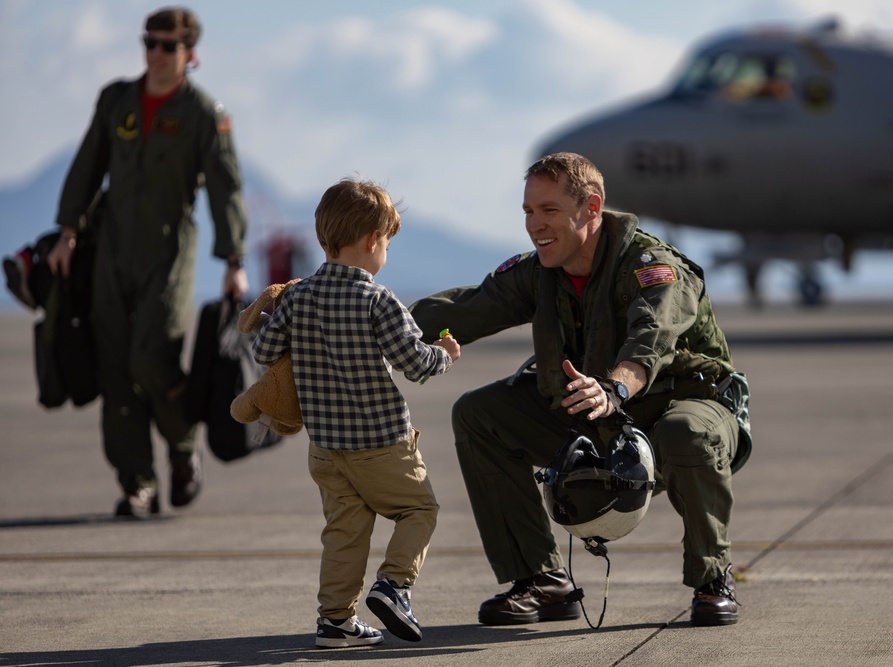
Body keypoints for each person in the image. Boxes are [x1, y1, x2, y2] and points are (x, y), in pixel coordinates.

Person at [409, 152, 751, 628]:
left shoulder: (653, 268)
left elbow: (648, 341)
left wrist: (614, 388)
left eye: (549, 211)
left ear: (591, 209)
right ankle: (541, 580)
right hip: (595, 411)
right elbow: (466, 309)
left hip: (678, 405)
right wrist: (362, 322)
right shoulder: (540, 272)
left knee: (687, 431)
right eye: (528, 211)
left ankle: (713, 579)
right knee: (478, 413)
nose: (534, 224)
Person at [46, 7, 249, 518]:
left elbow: (225, 186)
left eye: (167, 46)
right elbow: (89, 162)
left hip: (169, 249)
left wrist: (233, 258)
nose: (155, 53)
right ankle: (138, 483)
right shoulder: (117, 100)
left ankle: (182, 450)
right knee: (114, 367)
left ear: (190, 55)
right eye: (149, 42)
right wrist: (68, 233)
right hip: (111, 248)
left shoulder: (205, 114)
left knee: (150, 359)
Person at [252, 178, 460, 648]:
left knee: (344, 531)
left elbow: (265, 350)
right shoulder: (378, 299)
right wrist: (445, 353)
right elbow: (415, 364)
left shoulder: (298, 296)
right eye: (386, 241)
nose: (385, 251)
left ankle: (335, 621)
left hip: (325, 448)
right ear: (372, 241)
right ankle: (394, 584)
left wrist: (275, 314)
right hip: (383, 443)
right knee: (418, 510)